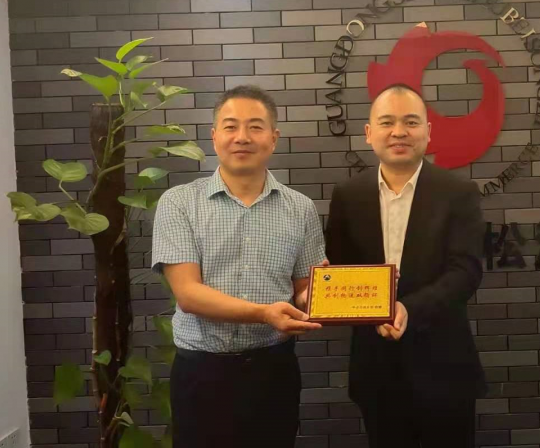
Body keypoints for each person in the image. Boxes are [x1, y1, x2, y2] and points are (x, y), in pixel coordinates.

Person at [151, 85, 325, 448]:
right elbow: (188, 294)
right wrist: (265, 313)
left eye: (255, 127)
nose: (242, 137)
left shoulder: (301, 208)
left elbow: (302, 291)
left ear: (273, 138)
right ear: (215, 136)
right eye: (231, 126)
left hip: (273, 373)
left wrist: (325, 296)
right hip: (201, 374)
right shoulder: (179, 203)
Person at [325, 83, 486, 448]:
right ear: (369, 133)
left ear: (428, 131)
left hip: (444, 365)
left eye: (410, 122)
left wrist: (408, 309)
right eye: (387, 122)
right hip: (375, 367)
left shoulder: (458, 192)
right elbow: (340, 268)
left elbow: (465, 271)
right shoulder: (348, 196)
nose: (399, 131)